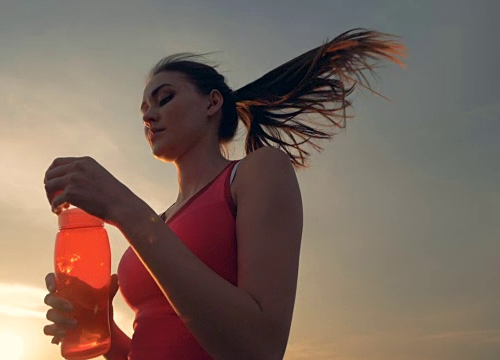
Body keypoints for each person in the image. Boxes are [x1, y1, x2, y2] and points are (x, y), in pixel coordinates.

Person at [42, 28, 405, 360]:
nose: (149, 116)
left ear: (212, 103)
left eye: (164, 99)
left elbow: (258, 349)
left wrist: (122, 207)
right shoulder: (161, 221)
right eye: (144, 111)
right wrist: (101, 323)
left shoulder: (256, 172)